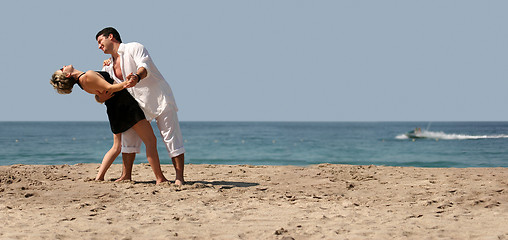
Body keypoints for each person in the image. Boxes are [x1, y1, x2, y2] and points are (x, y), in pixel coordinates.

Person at [95, 27, 186, 185]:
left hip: (159, 99)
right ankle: (126, 175)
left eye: (100, 41)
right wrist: (99, 98)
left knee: (171, 138)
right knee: (128, 140)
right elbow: (104, 91)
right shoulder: (107, 67)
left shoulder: (134, 47)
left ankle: (179, 177)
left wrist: (137, 77)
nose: (99, 46)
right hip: (135, 107)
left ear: (111, 36)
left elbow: (144, 67)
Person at [50, 65, 168, 184]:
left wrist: (107, 67)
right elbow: (110, 87)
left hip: (113, 110)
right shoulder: (87, 75)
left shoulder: (82, 83)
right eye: (61, 68)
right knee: (150, 141)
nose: (64, 66)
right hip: (125, 106)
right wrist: (128, 82)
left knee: (116, 147)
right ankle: (160, 178)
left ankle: (99, 176)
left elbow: (100, 94)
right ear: (67, 75)